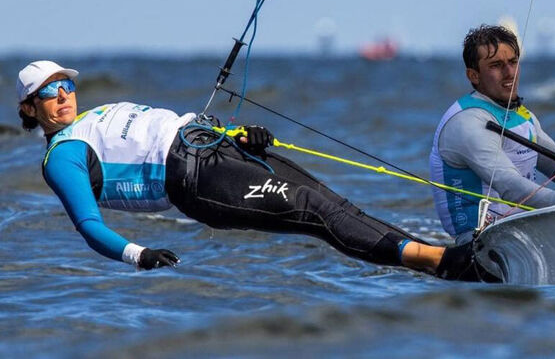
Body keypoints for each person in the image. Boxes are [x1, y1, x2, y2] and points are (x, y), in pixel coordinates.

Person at [18, 60, 490, 280]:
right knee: (314, 212)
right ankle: (444, 264)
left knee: (329, 200)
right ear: (29, 107)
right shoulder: (63, 154)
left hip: (211, 147)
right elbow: (88, 225)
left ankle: (440, 256)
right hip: (194, 180)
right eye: (48, 91)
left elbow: (166, 130)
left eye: (65, 84)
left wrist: (236, 135)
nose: (62, 94)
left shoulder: (94, 116)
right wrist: (138, 256)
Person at [429, 25, 555, 242]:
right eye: (496, 65)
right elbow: (510, 186)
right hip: (477, 239)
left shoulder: (521, 115)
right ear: (473, 75)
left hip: (521, 228)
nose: (509, 73)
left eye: (513, 62)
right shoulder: (467, 122)